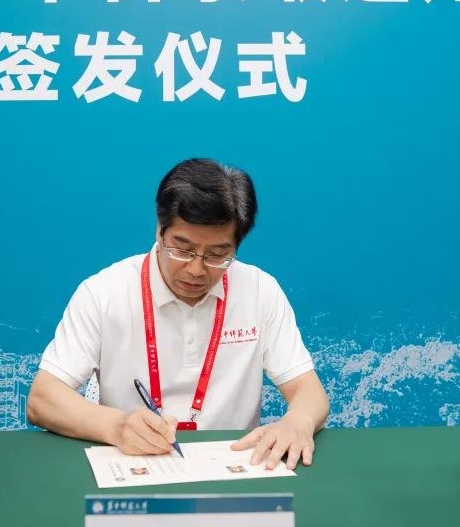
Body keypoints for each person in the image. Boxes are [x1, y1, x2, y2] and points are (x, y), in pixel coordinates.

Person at [27, 158, 329, 471]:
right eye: (182, 249)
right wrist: (116, 426)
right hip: (136, 468)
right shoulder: (104, 293)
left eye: (217, 255)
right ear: (160, 231)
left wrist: (298, 422)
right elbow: (42, 399)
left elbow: (309, 391)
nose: (196, 269)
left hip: (233, 470)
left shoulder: (260, 290)